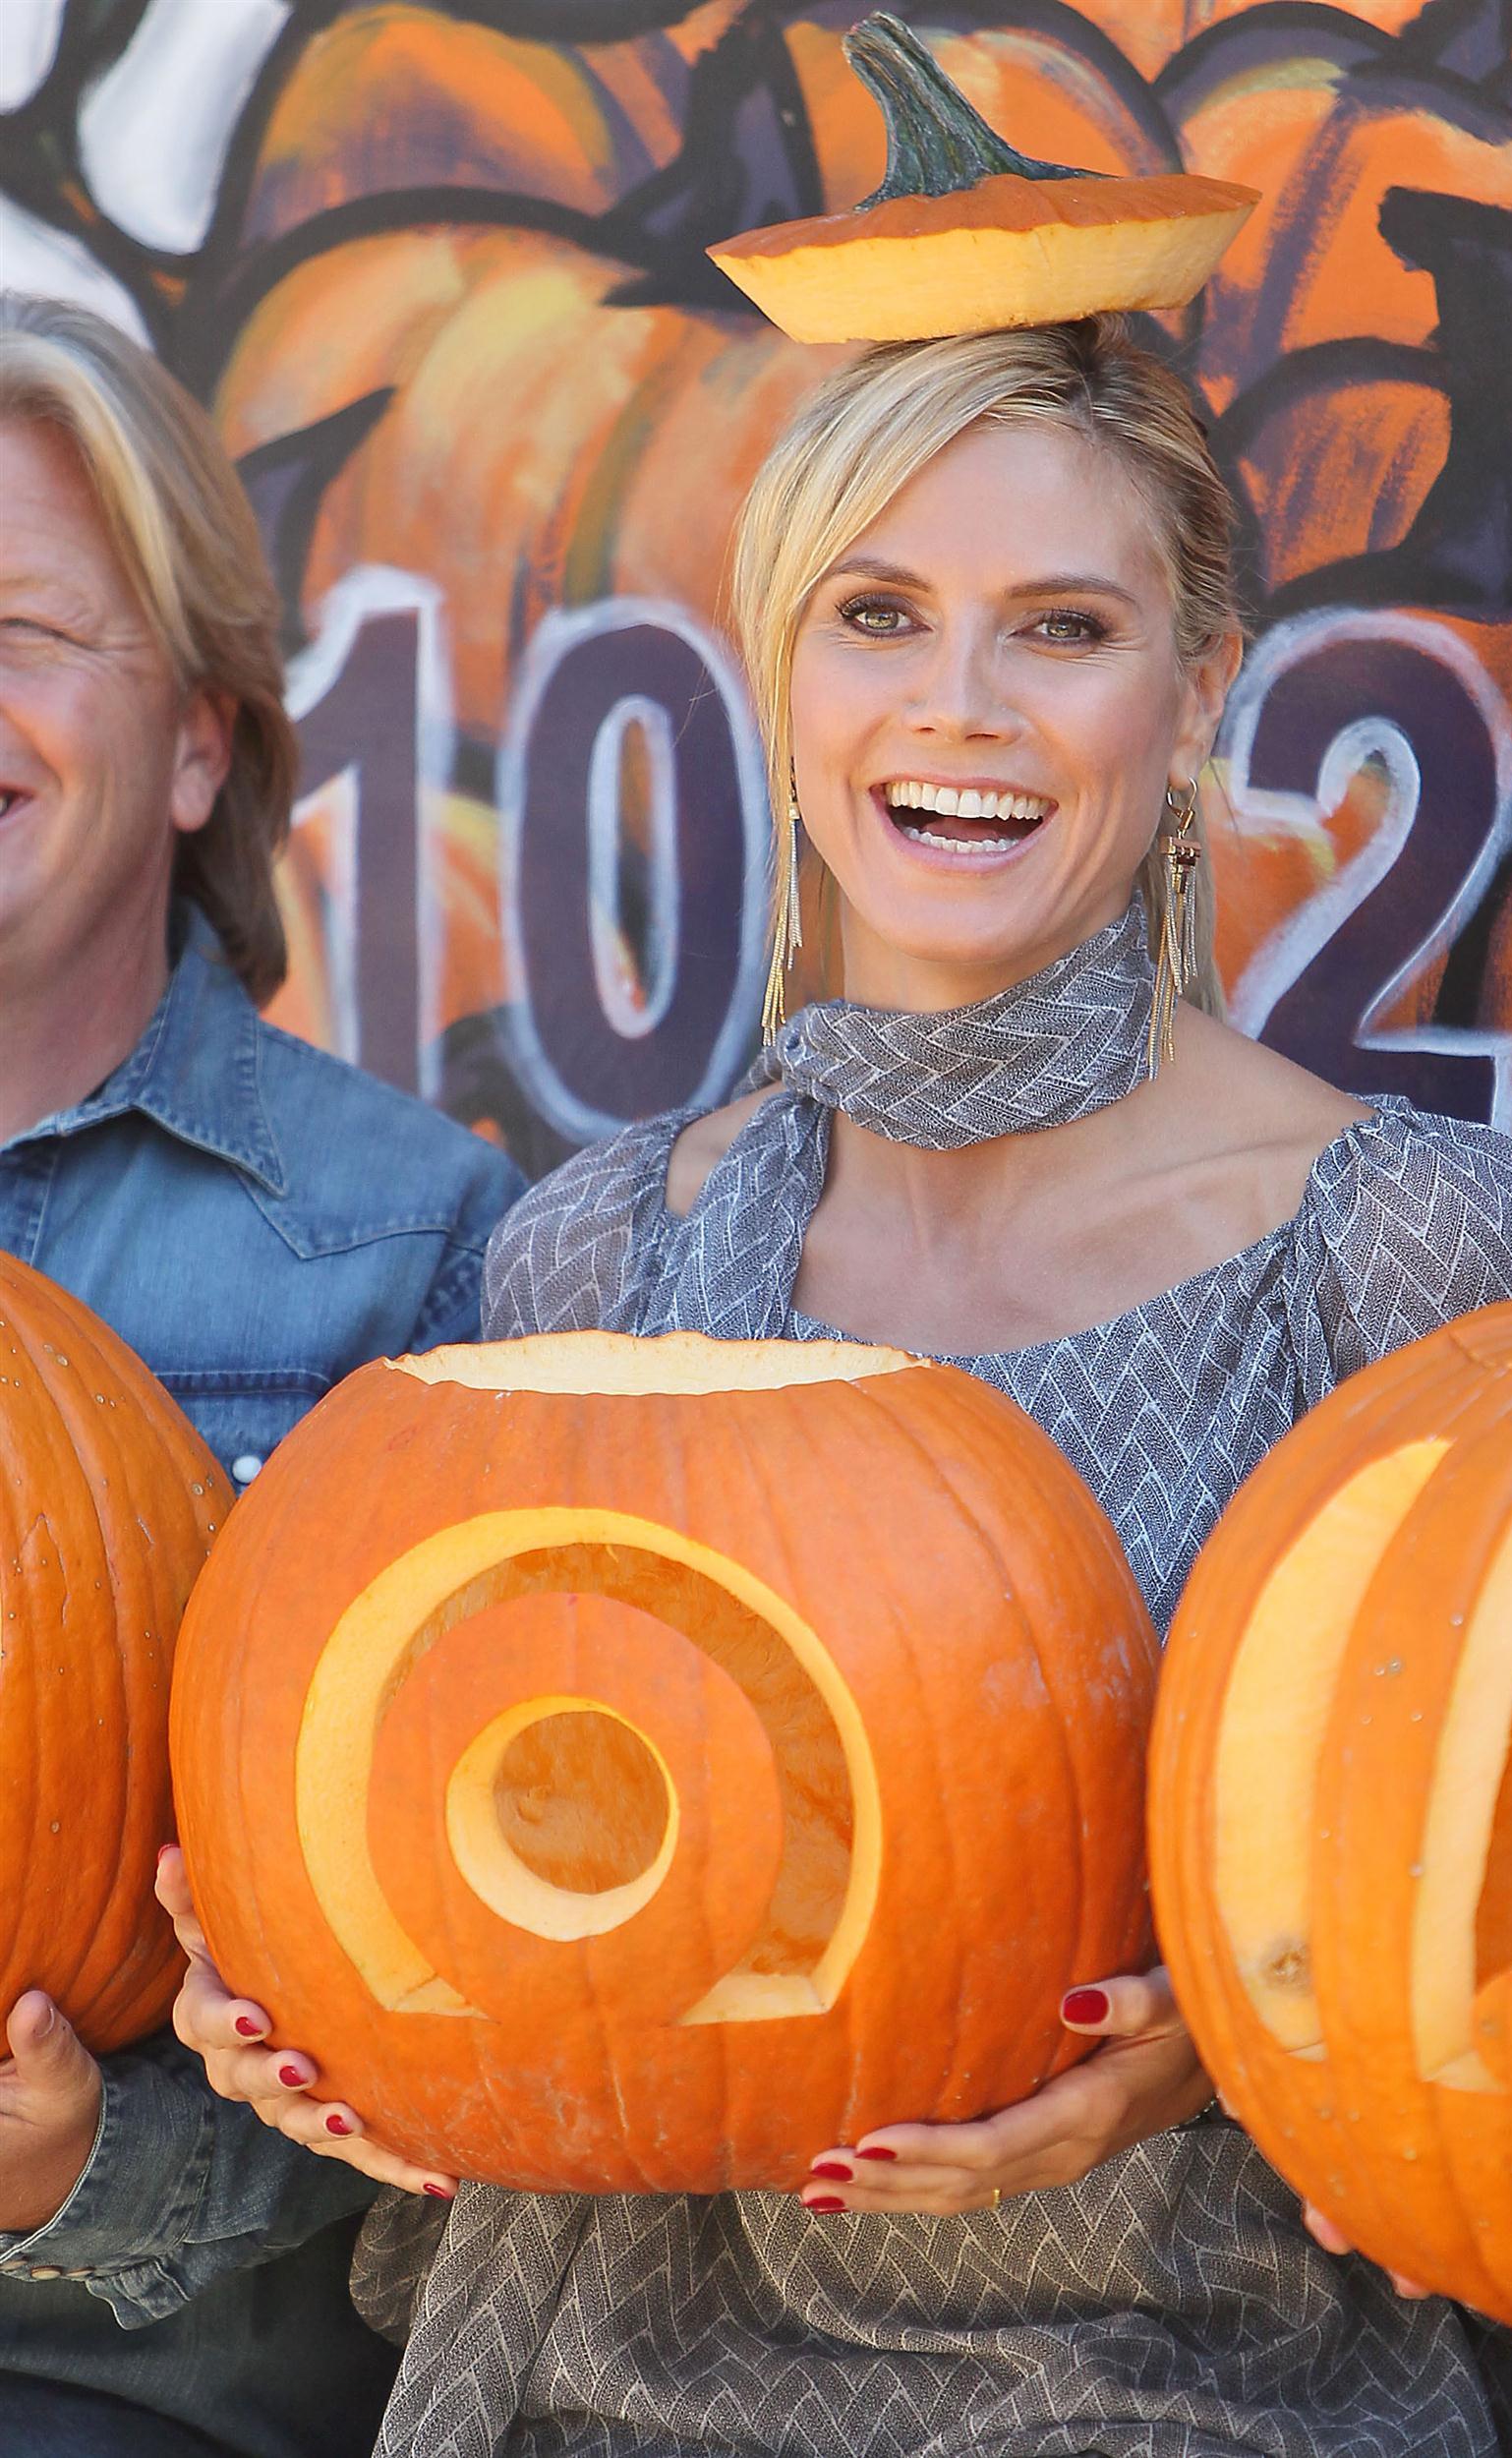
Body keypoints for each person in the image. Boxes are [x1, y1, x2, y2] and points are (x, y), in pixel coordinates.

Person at [161, 323, 1512, 2451]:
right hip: (619, 2382)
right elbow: (509, 1871)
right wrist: (308, 1978)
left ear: (1197, 688)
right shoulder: (603, 1259)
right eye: (878, 615)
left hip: (1185, 2376)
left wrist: (1215, 2049)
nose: (959, 703)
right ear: (782, 683)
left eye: (1058, 626)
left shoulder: (1394, 1246)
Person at [0, 292, 524, 2457]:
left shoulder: (411, 1251)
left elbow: (499, 2042)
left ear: (203, 739)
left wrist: (70, 2183)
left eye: (23, 626)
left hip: (126, 2386)